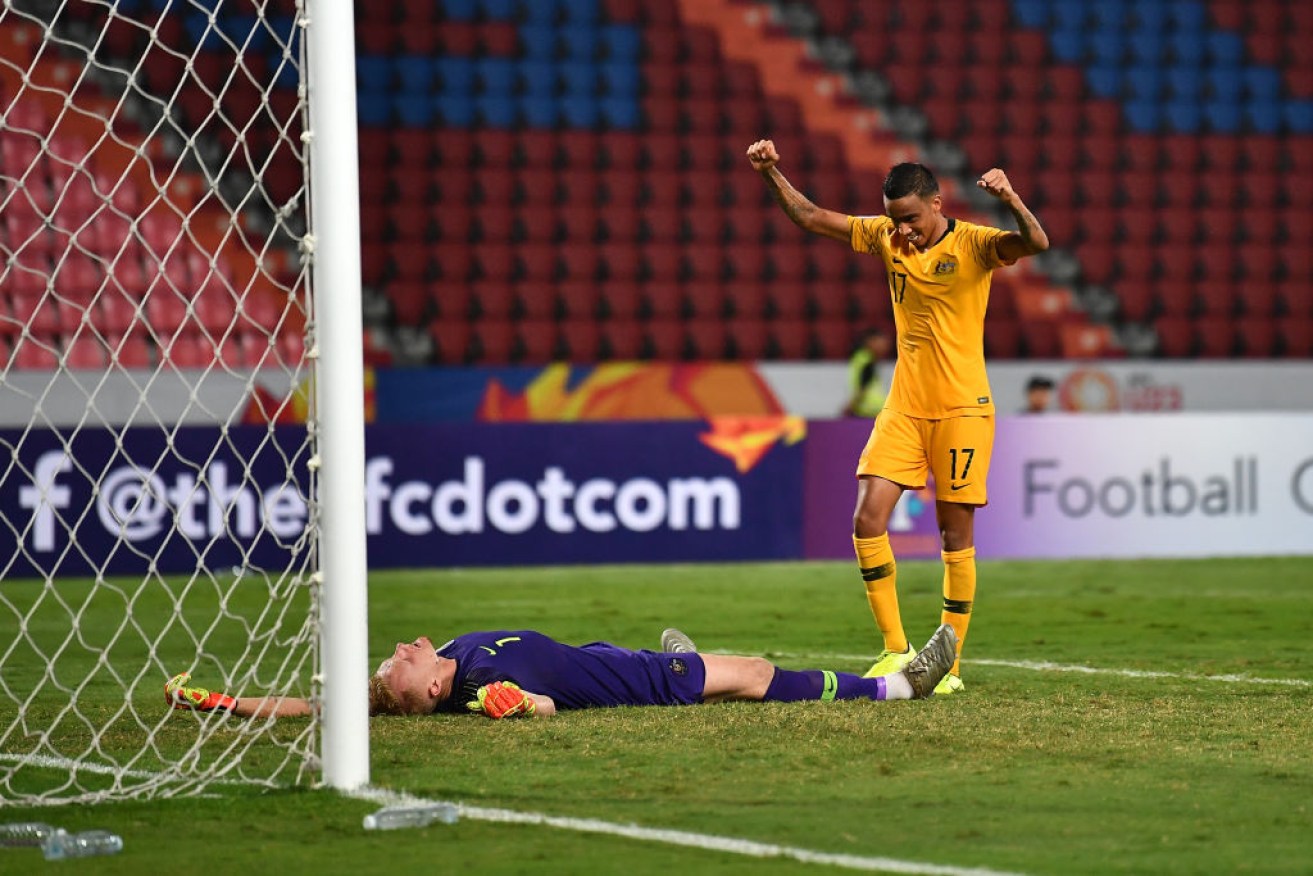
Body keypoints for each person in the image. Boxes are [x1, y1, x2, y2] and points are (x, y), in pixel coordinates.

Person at [746, 140, 1049, 694]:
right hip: (905, 408)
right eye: (894, 220)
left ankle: (949, 666)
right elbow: (812, 217)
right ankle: (896, 650)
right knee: (867, 520)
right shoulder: (885, 237)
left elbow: (1035, 241)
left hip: (962, 409)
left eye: (909, 218)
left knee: (954, 535)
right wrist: (771, 173)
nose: (901, 230)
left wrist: (1009, 197)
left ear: (936, 204)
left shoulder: (976, 245)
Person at [166, 624, 958, 719]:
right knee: (751, 672)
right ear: (434, 687)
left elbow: (317, 705)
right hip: (643, 685)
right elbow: (536, 706)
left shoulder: (457, 657)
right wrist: (520, 709)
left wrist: (230, 701)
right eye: (400, 661)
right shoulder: (474, 685)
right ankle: (896, 686)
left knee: (676, 653)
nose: (401, 648)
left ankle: (682, 650)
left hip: (606, 658)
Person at [843, 326, 891, 418]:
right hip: (871, 410)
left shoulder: (861, 359)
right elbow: (862, 388)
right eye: (881, 341)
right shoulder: (866, 361)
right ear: (870, 341)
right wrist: (850, 406)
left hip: (870, 410)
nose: (886, 345)